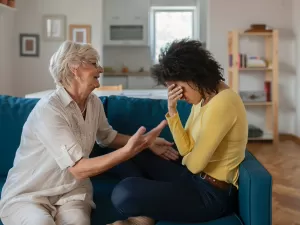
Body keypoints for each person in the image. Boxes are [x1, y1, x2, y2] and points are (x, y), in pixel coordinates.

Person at [0, 41, 176, 225]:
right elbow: (78, 169)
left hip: (72, 194)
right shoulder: (49, 110)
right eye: (93, 63)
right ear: (74, 68)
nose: (100, 69)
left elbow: (107, 137)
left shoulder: (93, 103)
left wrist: (147, 142)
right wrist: (127, 152)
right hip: (30, 194)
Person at [108, 39, 248, 225]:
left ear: (194, 77)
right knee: (128, 153)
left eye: (180, 88)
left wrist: (189, 157)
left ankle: (146, 213)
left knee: (124, 193)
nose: (179, 95)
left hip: (211, 195)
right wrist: (172, 111)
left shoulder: (223, 103)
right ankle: (147, 213)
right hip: (193, 178)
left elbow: (195, 164)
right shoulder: (204, 97)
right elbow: (185, 150)